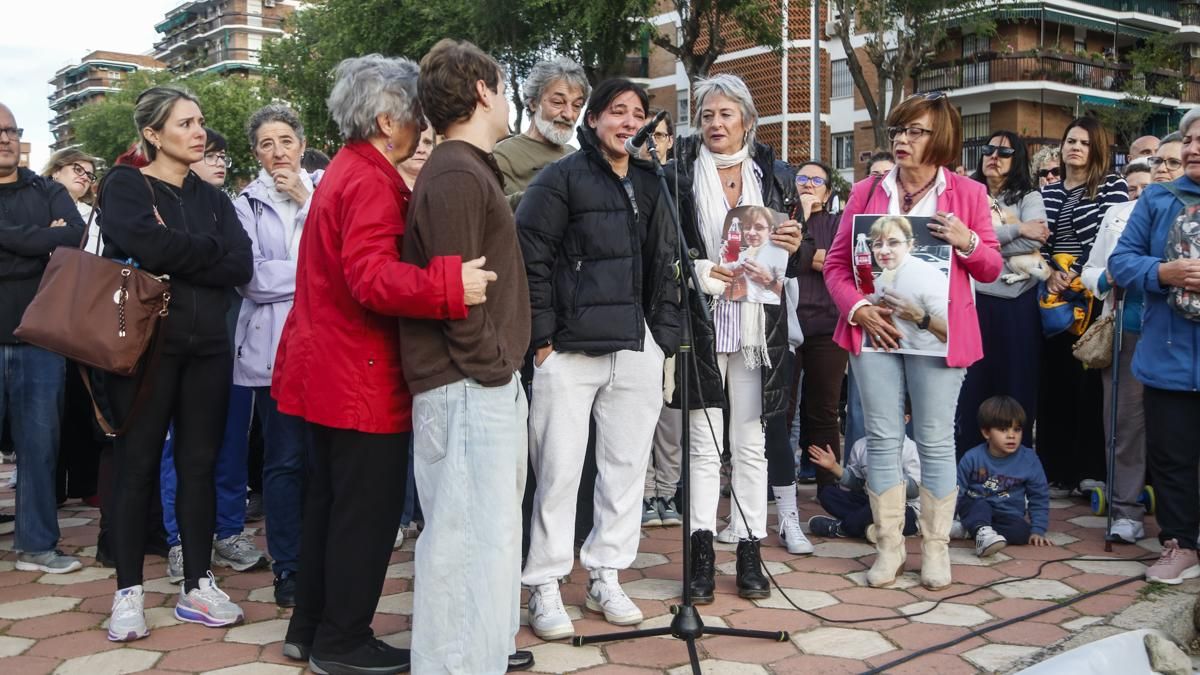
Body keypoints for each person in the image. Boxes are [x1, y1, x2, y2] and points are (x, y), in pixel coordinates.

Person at [271, 55, 496, 674]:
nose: (422, 126)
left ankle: (311, 628)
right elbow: (371, 278)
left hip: (330, 368)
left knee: (329, 504)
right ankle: (342, 641)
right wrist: (449, 284)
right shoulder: (369, 180)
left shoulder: (350, 169)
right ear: (386, 120)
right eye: (414, 115)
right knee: (363, 516)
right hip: (359, 374)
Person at [518, 78, 680, 640]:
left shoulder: (653, 182)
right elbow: (530, 260)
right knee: (558, 471)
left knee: (626, 471)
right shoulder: (560, 178)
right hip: (569, 350)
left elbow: (667, 263)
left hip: (636, 347)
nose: (628, 122)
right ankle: (544, 582)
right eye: (617, 111)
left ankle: (606, 574)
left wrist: (663, 338)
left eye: (637, 113)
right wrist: (542, 341)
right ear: (593, 120)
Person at [823, 91, 1002, 590]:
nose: (903, 139)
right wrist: (858, 308)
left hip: (939, 335)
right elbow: (837, 265)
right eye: (899, 130)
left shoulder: (967, 192)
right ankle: (889, 547)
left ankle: (936, 548)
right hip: (874, 331)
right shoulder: (866, 192)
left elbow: (991, 266)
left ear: (939, 137)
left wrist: (967, 241)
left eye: (915, 131)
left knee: (936, 439)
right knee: (882, 437)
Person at [98, 86, 252, 640]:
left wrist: (179, 253)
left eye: (200, 121)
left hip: (208, 347)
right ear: (152, 133)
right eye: (185, 123)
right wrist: (203, 253)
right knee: (137, 465)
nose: (199, 132)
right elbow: (148, 247)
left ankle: (197, 584)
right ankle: (128, 591)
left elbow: (241, 263)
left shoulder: (214, 198)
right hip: (147, 347)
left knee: (199, 465)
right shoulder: (126, 185)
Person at [400, 38, 534, 674]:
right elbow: (456, 289)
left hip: (479, 381)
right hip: (466, 384)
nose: (507, 102)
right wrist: (493, 361)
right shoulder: (455, 172)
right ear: (482, 91)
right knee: (463, 540)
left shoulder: (467, 167)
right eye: (502, 89)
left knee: (491, 534)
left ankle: (486, 654)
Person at [665, 74, 805, 602]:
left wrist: (794, 241)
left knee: (751, 443)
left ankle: (749, 550)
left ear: (747, 119)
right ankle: (701, 554)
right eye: (707, 115)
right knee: (703, 444)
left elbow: (793, 257)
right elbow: (665, 246)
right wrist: (698, 270)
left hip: (756, 325)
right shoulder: (678, 173)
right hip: (702, 321)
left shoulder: (775, 174)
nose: (715, 123)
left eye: (725, 114)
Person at [159, 127, 267, 585]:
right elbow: (162, 259)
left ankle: (227, 531)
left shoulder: (229, 206)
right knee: (179, 449)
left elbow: (242, 266)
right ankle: (180, 540)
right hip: (178, 345)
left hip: (233, 346)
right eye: (210, 155)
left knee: (232, 444)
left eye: (223, 155)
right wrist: (210, 258)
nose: (218, 162)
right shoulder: (162, 202)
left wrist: (194, 260)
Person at [233, 104, 322, 607]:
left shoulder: (325, 189)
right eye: (267, 144)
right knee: (284, 461)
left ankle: (324, 559)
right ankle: (288, 567)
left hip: (327, 346)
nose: (278, 151)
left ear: (302, 145)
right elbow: (252, 278)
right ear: (256, 154)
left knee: (325, 461)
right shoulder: (245, 203)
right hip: (271, 350)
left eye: (286, 140)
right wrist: (314, 273)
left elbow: (345, 253)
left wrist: (307, 202)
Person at [1110, 109, 1200, 585]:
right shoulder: (1158, 198)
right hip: (1167, 354)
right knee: (1171, 456)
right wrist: (1163, 272)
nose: (1193, 149)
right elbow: (1121, 262)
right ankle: (1180, 543)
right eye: (1189, 140)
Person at [1080, 132, 1182, 545]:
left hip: (1181, 333)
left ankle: (1182, 522)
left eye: (1173, 162)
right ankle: (1125, 510)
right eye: (1158, 162)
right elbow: (1093, 269)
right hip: (1129, 328)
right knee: (1123, 426)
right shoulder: (1118, 214)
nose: (1164, 170)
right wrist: (1108, 277)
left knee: (1181, 430)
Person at [0, 103, 86, 575]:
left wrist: (13, 241)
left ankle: (36, 545)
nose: (6, 139)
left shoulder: (47, 189)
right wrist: (40, 242)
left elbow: (74, 236)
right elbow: (53, 243)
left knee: (40, 446)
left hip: (41, 338)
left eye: (12, 130)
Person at [1038, 117, 1128, 497]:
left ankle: (1090, 470)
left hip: (1091, 292)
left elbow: (1112, 235)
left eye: (1085, 143)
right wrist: (1049, 272)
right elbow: (1039, 239)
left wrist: (1073, 270)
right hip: (1051, 293)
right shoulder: (1048, 192)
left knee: (1088, 382)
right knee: (1053, 380)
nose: (1075, 147)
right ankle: (1055, 471)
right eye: (1071, 141)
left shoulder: (1111, 185)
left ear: (1097, 149)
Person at [955, 131, 1048, 456]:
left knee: (1017, 385)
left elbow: (1036, 239)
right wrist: (1017, 229)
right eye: (989, 149)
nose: (994, 156)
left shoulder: (1029, 196)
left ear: (1017, 158)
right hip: (973, 301)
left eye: (1004, 152)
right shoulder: (968, 192)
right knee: (971, 387)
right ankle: (968, 464)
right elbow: (956, 240)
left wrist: (976, 244)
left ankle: (1017, 465)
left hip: (1017, 306)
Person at [41, 149, 103, 507]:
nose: (84, 175)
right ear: (56, 170)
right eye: (77, 168)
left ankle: (85, 481)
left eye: (89, 173)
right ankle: (50, 487)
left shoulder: (94, 216)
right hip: (44, 313)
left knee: (82, 398)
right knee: (47, 405)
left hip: (84, 316)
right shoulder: (38, 206)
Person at [786, 161, 848, 495]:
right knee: (782, 408)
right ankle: (776, 482)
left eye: (816, 180)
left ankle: (829, 486)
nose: (808, 185)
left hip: (828, 326)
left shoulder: (839, 223)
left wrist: (803, 254)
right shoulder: (784, 219)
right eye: (802, 178)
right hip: (786, 325)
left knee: (823, 409)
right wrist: (803, 223)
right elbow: (778, 259)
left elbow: (840, 262)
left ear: (828, 192)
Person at [954, 396, 1051, 558]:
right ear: (986, 432)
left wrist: (1038, 530)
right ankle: (979, 528)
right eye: (1003, 429)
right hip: (975, 506)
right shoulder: (972, 457)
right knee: (979, 505)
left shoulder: (1029, 460)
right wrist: (945, 521)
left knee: (1021, 532)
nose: (1011, 435)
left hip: (1006, 515)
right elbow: (957, 490)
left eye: (1017, 429)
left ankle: (971, 530)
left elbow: (1039, 496)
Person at [806, 406, 921, 541]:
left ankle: (840, 528)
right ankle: (870, 528)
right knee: (827, 494)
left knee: (879, 508)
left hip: (903, 509)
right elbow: (856, 483)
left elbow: (915, 491)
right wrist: (834, 467)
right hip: (870, 502)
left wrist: (890, 475)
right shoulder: (861, 445)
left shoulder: (911, 449)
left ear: (905, 419)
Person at [495, 56, 589, 208]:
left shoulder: (576, 155)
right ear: (533, 103)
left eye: (577, 105)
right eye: (558, 102)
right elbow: (490, 210)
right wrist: (545, 191)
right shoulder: (503, 156)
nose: (569, 114)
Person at [397, 123, 433, 190]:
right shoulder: (382, 187)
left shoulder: (444, 188)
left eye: (427, 142)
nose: (421, 150)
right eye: (413, 141)